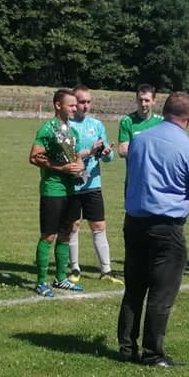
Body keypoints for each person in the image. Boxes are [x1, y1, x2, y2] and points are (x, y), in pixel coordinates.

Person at [117, 92, 189, 368]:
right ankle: (153, 353)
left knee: (134, 289)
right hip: (166, 226)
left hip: (134, 221)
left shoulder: (139, 139)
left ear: (164, 110)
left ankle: (126, 347)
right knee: (161, 292)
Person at [29, 89, 86, 297]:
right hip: (53, 189)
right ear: (58, 105)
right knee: (49, 235)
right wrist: (61, 168)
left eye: (76, 105)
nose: (75, 108)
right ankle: (41, 282)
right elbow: (34, 157)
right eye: (71, 105)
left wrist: (79, 167)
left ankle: (61, 278)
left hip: (71, 189)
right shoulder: (47, 129)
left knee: (66, 234)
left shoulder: (72, 132)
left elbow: (77, 156)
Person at [66, 86, 123, 285]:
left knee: (98, 226)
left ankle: (106, 270)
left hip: (93, 183)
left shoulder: (97, 125)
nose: (86, 105)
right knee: (73, 225)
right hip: (73, 184)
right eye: (82, 102)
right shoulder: (65, 126)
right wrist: (89, 152)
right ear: (74, 103)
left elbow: (107, 157)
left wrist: (106, 153)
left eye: (88, 102)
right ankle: (74, 268)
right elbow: (66, 155)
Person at [118, 84, 163, 158]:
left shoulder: (161, 122)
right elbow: (122, 151)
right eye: (140, 100)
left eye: (147, 100)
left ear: (154, 101)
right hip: (136, 165)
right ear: (136, 100)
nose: (143, 104)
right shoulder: (127, 121)